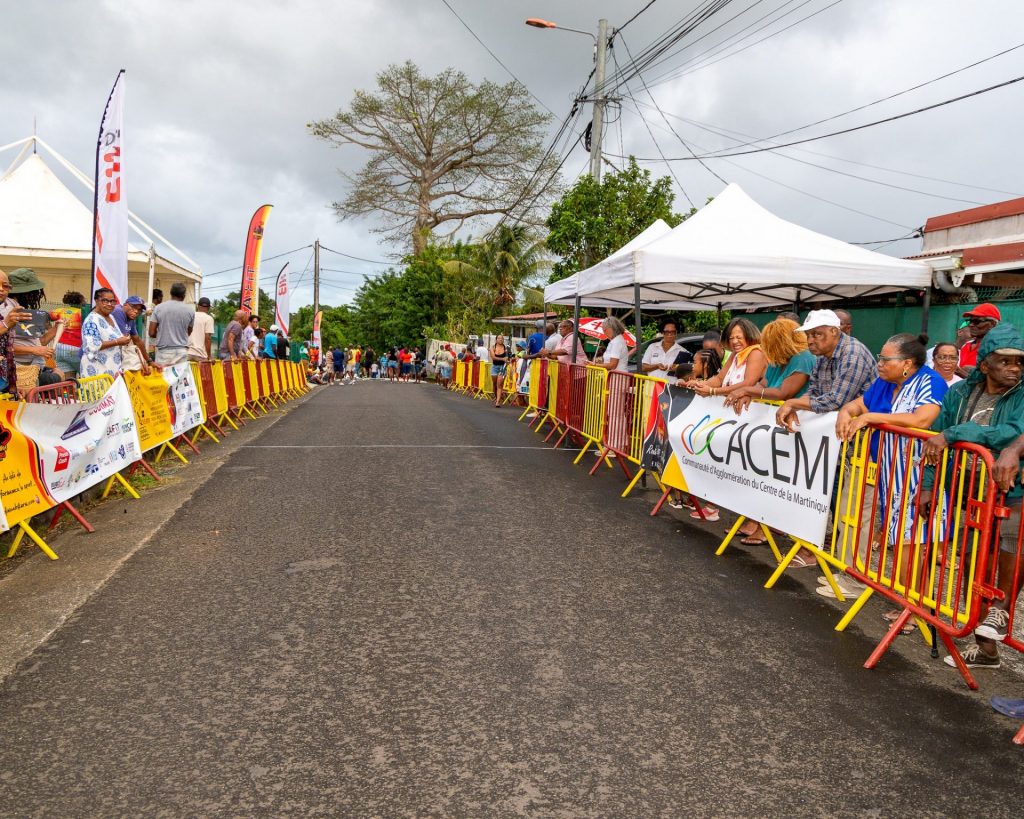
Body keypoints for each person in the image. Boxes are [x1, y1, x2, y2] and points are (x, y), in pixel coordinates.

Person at [920, 323, 1024, 669]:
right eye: (1006, 362)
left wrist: (955, 433)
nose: (1015, 369)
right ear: (984, 365)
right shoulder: (959, 393)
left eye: (1019, 362)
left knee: (1011, 553)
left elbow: (1011, 432)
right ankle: (985, 648)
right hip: (969, 494)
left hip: (1012, 494)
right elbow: (936, 441)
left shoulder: (1023, 393)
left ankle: (1001, 612)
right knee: (969, 562)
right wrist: (930, 485)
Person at [829, 334, 947, 607]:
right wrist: (846, 413)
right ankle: (906, 600)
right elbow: (858, 404)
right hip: (888, 471)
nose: (879, 363)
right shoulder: (884, 382)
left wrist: (870, 417)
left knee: (913, 538)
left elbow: (922, 418)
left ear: (907, 363)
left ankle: (915, 606)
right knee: (898, 536)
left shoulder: (931, 382)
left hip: (918, 472)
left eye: (885, 358)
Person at [725, 318, 814, 414]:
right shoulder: (777, 359)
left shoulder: (803, 357)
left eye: (770, 343)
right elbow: (762, 385)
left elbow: (783, 393)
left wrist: (746, 391)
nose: (766, 347)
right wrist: (750, 395)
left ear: (782, 342)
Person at [681, 318, 767, 401]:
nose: (734, 341)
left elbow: (748, 384)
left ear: (749, 336)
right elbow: (719, 379)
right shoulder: (735, 353)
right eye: (731, 338)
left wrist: (713, 391)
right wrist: (698, 384)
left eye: (739, 337)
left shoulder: (756, 352)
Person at [7, 267, 64, 386]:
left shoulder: (24, 310)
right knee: (57, 377)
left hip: (32, 366)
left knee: (59, 375)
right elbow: (4, 346)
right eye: (34, 292)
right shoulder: (7, 309)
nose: (37, 295)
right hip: (18, 371)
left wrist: (55, 329)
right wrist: (35, 350)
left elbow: (40, 342)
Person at [81, 288, 132, 378]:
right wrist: (117, 341)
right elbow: (92, 346)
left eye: (112, 301)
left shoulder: (111, 317)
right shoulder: (92, 320)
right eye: (105, 301)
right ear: (97, 301)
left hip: (112, 370)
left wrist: (123, 339)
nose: (109, 304)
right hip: (97, 371)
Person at [0, 268, 33, 396]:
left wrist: (11, 386)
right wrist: (6, 324)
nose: (2, 289)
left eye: (5, 286)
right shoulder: (6, 319)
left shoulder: (9, 308)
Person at [148, 282, 194, 366]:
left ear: (170, 293)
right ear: (184, 296)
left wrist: (163, 334)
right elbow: (189, 332)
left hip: (164, 352)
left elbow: (151, 332)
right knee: (180, 378)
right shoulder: (190, 310)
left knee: (163, 378)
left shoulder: (158, 308)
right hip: (182, 351)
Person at [50, 291, 85, 377]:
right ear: (81, 301)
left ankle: (67, 390)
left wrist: (50, 329)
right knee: (84, 377)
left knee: (66, 381)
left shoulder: (60, 311)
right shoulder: (82, 313)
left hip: (60, 348)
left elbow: (46, 317)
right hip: (75, 348)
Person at [958, 303, 1000, 374]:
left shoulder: (998, 347)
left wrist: (962, 373)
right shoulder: (966, 345)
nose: (971, 325)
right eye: (970, 321)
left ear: (992, 324)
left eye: (977, 322)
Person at [115, 296, 153, 375]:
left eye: (139, 310)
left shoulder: (130, 318)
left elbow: (137, 340)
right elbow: (124, 340)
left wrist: (148, 361)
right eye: (133, 307)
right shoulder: (118, 311)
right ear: (125, 305)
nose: (136, 311)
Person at [187, 297, 215, 362]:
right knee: (204, 372)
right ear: (208, 308)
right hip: (200, 355)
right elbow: (207, 338)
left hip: (187, 353)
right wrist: (209, 356)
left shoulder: (190, 316)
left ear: (198, 306)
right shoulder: (209, 319)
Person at [490, 334, 510, 406]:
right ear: (496, 339)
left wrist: (508, 361)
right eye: (499, 338)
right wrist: (503, 359)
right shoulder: (492, 347)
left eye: (502, 338)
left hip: (502, 367)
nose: (500, 339)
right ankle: (497, 397)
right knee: (495, 384)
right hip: (494, 367)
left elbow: (508, 358)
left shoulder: (506, 349)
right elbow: (493, 357)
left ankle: (498, 401)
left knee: (499, 385)